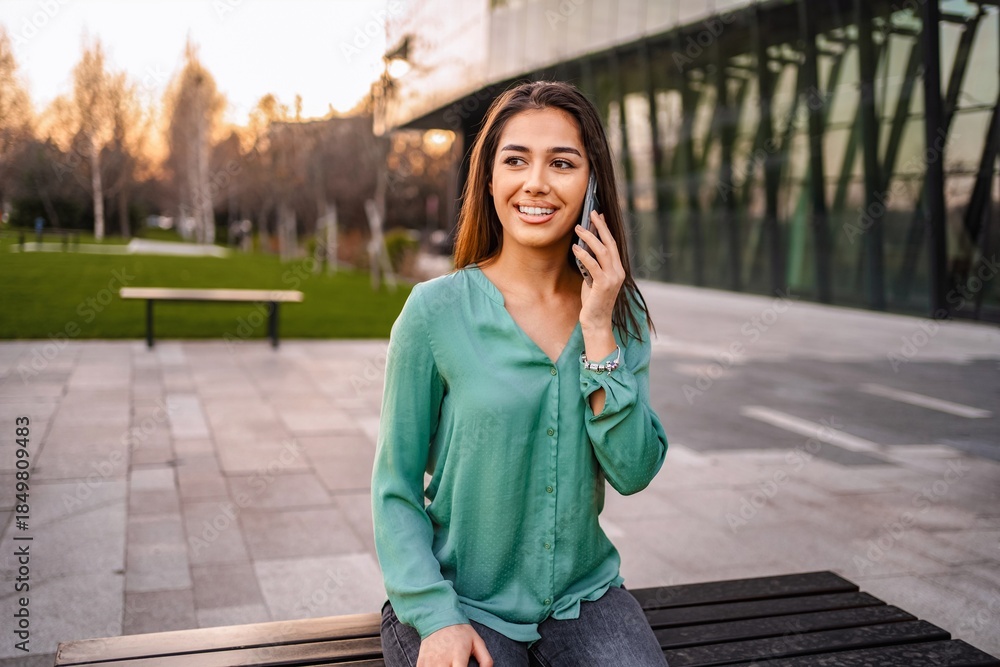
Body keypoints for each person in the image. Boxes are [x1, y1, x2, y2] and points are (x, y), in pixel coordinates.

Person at [372, 80, 669, 667]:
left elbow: (633, 471)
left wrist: (599, 330)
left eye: (562, 162)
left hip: (586, 600)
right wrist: (436, 617)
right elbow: (395, 488)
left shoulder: (620, 313)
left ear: (591, 183)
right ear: (489, 178)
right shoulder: (434, 312)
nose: (536, 183)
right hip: (461, 600)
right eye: (516, 161)